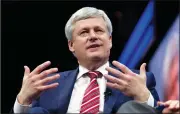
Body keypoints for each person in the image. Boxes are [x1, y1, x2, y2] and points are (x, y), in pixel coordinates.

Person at [12, 7, 160, 114]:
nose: (93, 36)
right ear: (71, 45)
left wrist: (143, 97)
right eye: (84, 32)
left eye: (99, 30)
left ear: (110, 41)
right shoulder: (48, 85)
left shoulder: (138, 80)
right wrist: (22, 100)